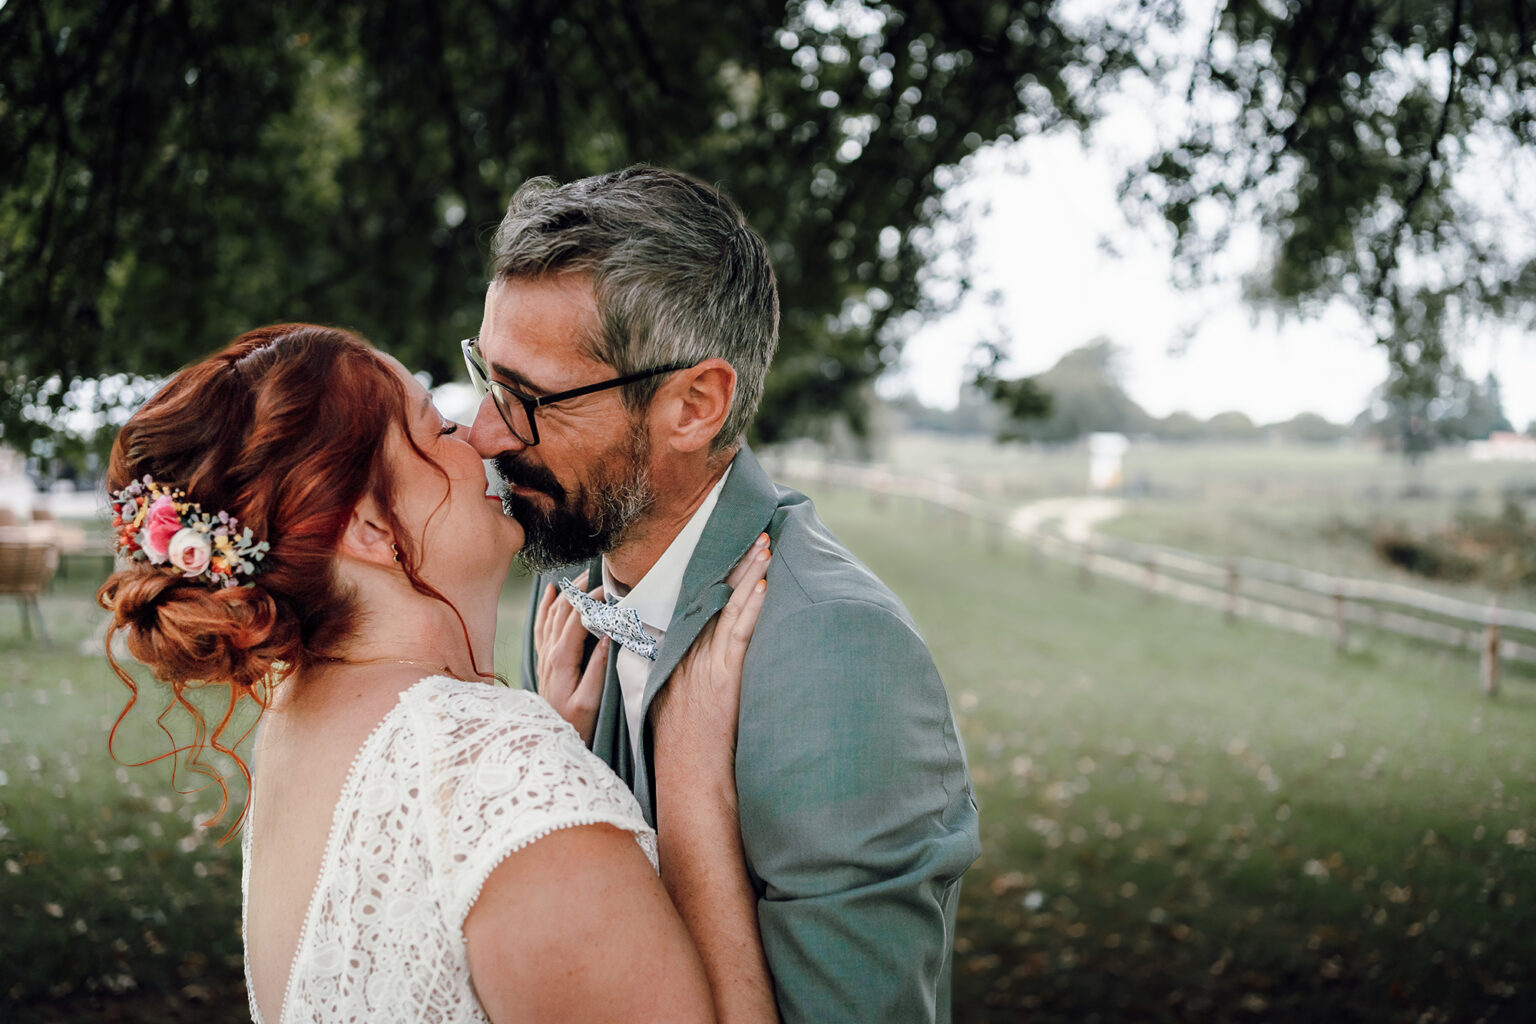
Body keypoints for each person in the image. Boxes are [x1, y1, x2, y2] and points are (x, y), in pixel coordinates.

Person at [95, 324, 776, 1023]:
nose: (481, 438)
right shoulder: (498, 770)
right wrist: (692, 776)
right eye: (436, 428)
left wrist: (553, 751)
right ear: (370, 529)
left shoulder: (297, 718)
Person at [466, 166, 982, 1023]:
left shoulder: (837, 653)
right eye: (489, 376)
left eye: (529, 398)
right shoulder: (569, 583)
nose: (487, 431)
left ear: (695, 404)